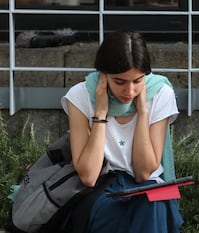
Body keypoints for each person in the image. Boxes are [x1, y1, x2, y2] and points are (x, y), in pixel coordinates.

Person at [60, 31, 183, 233]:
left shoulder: (160, 93)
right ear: (103, 75)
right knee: (131, 210)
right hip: (100, 188)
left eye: (138, 81)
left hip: (147, 188)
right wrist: (100, 113)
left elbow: (144, 173)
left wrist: (143, 113)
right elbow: (89, 176)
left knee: (150, 202)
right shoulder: (80, 96)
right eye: (119, 82)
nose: (130, 91)